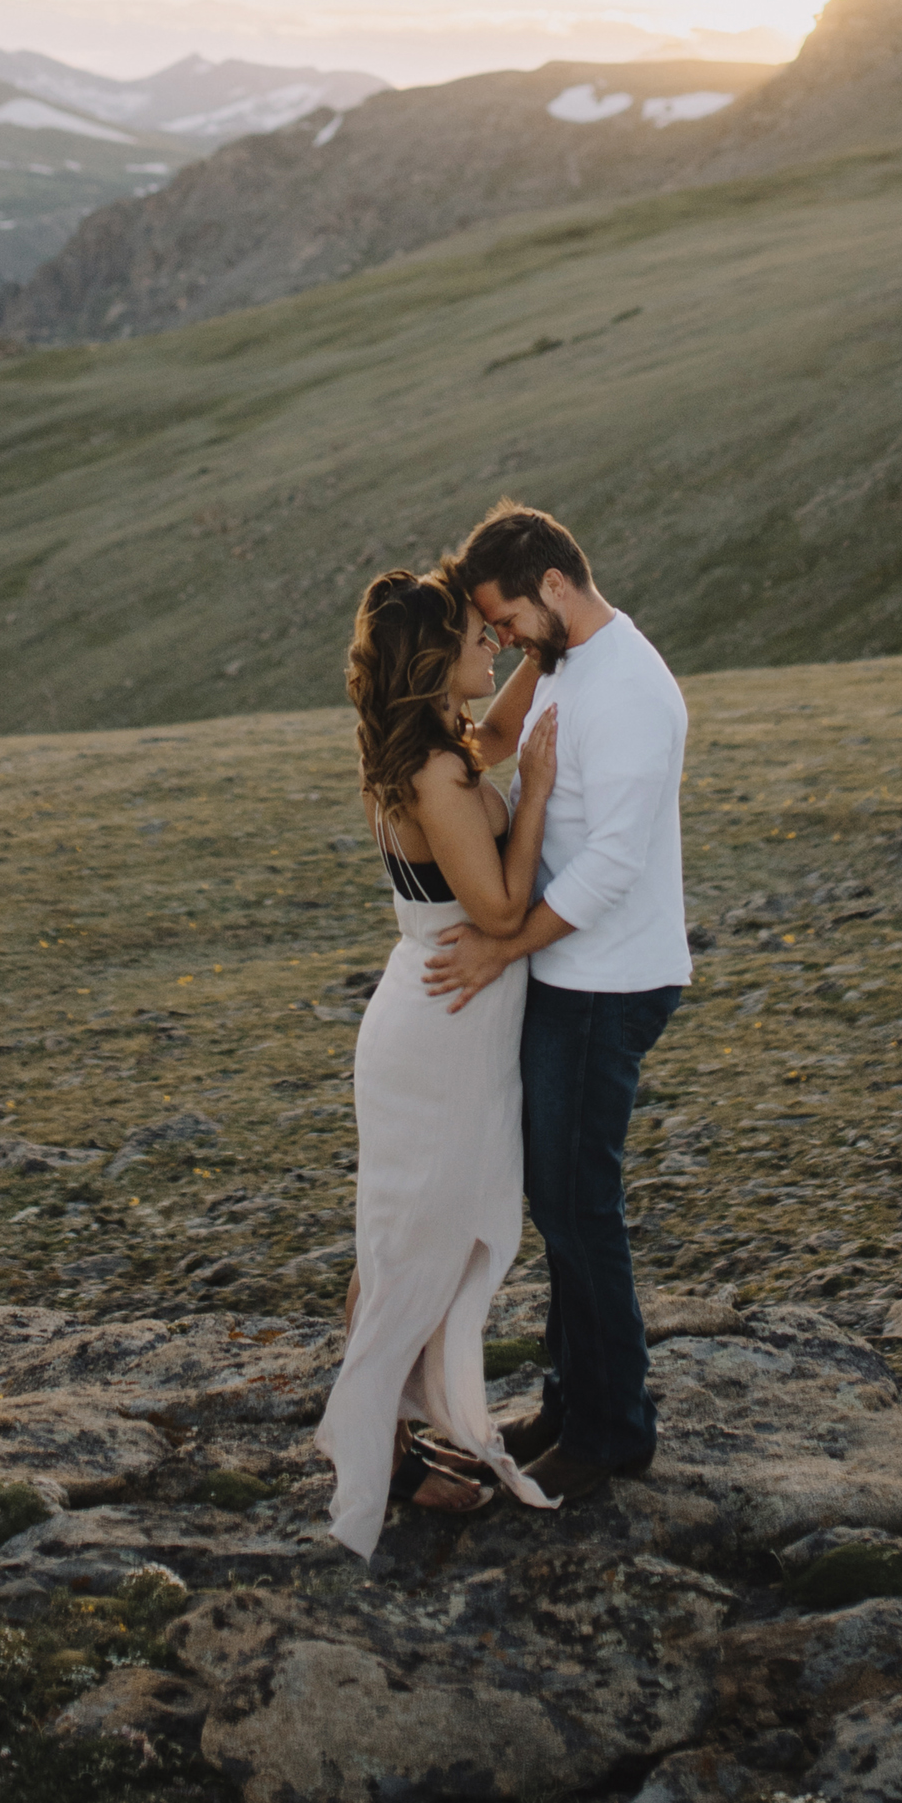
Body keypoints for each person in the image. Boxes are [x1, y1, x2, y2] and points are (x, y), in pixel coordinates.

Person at [425, 502, 689, 1500]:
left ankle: (614, 1426)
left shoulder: (630, 690)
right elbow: (492, 743)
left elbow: (613, 865)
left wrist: (501, 950)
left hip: (605, 979)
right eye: (488, 632)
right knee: (560, 1198)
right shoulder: (563, 660)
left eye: (502, 621)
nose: (499, 641)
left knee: (579, 1206)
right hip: (571, 972)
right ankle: (575, 1397)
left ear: (553, 586)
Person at [312, 567, 566, 1555]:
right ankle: (386, 1456)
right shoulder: (434, 773)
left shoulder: (428, 748)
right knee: (413, 1240)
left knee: (406, 1233)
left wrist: (544, 645)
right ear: (430, 658)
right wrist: (535, 796)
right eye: (475, 635)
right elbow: (500, 912)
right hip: (443, 1029)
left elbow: (491, 733)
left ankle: (395, 1434)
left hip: (431, 1013)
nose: (489, 643)